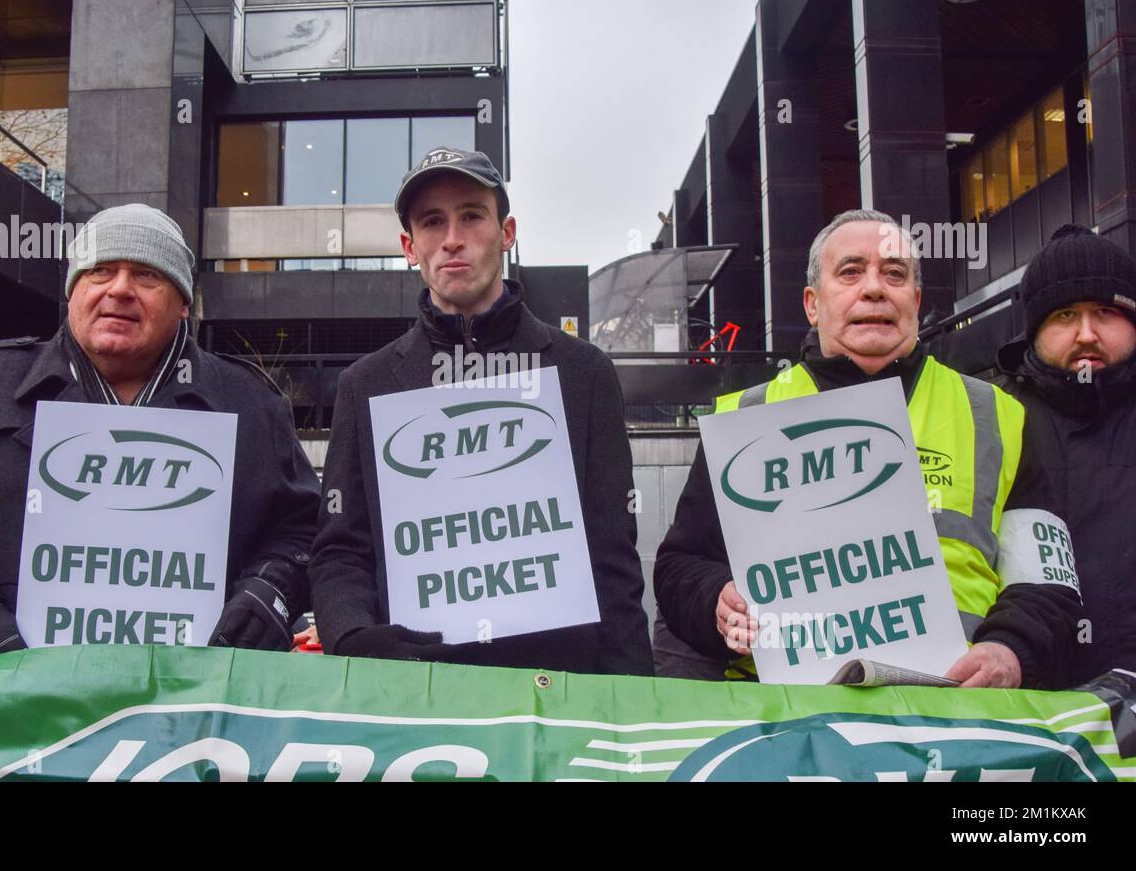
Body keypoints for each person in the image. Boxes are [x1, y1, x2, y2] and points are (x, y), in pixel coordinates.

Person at [0, 204, 320, 658]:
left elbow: (305, 531)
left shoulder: (251, 404)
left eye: (147, 275)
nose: (119, 289)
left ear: (182, 303)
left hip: (193, 701)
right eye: (100, 271)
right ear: (73, 290)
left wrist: (267, 598)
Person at [655, 209, 1082, 689]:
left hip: (955, 715)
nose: (875, 288)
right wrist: (716, 600)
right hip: (787, 723)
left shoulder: (999, 416)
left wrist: (1010, 649)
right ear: (813, 305)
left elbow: (1047, 584)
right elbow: (679, 569)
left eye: (895, 274)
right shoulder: (742, 419)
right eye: (851, 272)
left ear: (915, 301)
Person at [309, 147, 652, 675]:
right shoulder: (365, 386)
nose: (452, 238)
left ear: (506, 232)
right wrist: (354, 639)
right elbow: (340, 551)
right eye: (432, 222)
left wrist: (629, 706)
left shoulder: (584, 373)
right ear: (409, 246)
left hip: (556, 694)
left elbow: (613, 561)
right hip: (416, 691)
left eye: (471, 215)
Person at [997, 224, 1136, 685]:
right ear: (1035, 330)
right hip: (1033, 723)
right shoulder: (992, 418)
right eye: (1064, 315)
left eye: (1104, 311)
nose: (1086, 333)